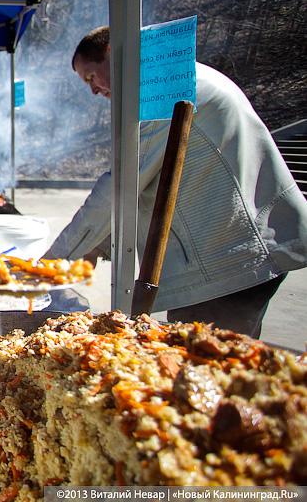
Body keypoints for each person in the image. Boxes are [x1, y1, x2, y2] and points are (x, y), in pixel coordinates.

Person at [46, 25, 307, 337]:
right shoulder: (177, 78)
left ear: (112, 53)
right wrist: (97, 246)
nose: (93, 90)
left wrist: (49, 264)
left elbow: (121, 186)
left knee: (203, 368)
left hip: (227, 265)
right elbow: (151, 185)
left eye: (91, 77)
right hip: (232, 258)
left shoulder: (167, 88)